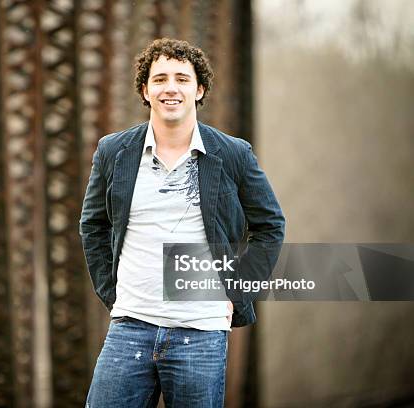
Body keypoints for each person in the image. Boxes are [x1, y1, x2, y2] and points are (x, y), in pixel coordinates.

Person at [79, 38, 285, 407]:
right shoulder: (114, 151)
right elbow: (93, 225)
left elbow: (270, 226)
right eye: (159, 79)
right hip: (130, 328)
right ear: (145, 90)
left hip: (201, 332)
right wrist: (112, 291)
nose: (170, 88)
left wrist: (237, 288)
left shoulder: (233, 153)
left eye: (181, 78)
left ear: (199, 88)